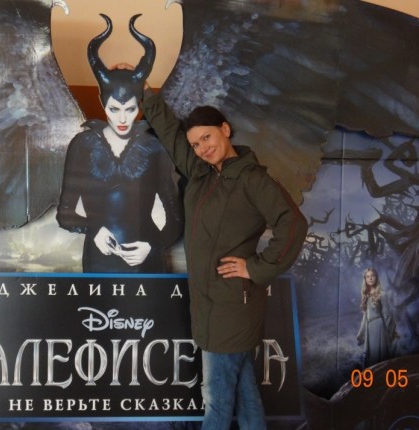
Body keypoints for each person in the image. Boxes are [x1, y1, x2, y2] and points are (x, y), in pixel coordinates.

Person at [139, 86, 308, 428]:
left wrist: (255, 267)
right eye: (196, 144)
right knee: (246, 393)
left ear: (225, 129)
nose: (202, 148)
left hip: (232, 308)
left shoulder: (252, 180)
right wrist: (148, 98)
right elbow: (171, 136)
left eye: (207, 137)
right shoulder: (200, 173)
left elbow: (293, 225)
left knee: (216, 401)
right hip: (211, 306)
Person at [56, 14, 182, 273]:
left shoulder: (154, 145)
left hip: (146, 261)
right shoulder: (83, 145)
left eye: (130, 109)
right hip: (99, 259)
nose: (123, 119)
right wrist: (93, 230)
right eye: (114, 109)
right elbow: (65, 213)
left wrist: (153, 245)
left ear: (140, 105)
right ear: (102, 103)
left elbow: (174, 215)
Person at [356, 267, 397, 367]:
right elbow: (365, 317)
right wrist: (360, 334)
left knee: (379, 356)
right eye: (367, 276)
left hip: (379, 327)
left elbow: (387, 315)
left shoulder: (382, 294)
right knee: (370, 356)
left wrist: (390, 332)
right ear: (365, 279)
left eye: (372, 276)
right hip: (369, 328)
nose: (370, 278)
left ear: (376, 277)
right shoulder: (366, 296)